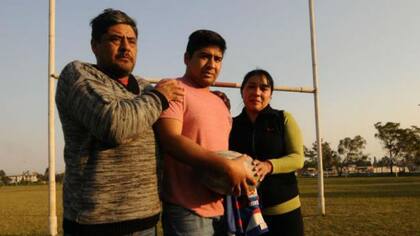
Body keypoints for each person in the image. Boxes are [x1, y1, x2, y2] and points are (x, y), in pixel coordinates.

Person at [55, 9, 184, 236]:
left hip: (148, 221)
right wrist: (161, 97)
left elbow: (174, 126)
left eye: (132, 41)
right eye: (115, 39)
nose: (126, 47)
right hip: (96, 224)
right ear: (95, 45)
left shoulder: (145, 88)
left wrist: (213, 97)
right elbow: (114, 126)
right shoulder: (77, 75)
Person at [154, 29, 255, 236]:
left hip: (222, 205)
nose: (212, 64)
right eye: (204, 56)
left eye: (217, 59)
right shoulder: (174, 89)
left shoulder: (220, 102)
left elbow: (220, 149)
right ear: (186, 58)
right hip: (187, 210)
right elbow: (170, 140)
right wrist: (226, 166)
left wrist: (243, 168)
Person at [229, 69, 305, 236]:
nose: (257, 92)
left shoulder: (283, 118)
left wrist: (269, 165)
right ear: (242, 91)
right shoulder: (231, 125)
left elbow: (298, 158)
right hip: (246, 212)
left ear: (271, 94)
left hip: (285, 211)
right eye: (251, 86)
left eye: (263, 88)